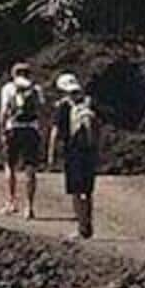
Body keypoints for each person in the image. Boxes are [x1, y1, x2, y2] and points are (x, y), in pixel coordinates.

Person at [48, 72, 101, 239]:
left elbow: (55, 131)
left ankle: (80, 226)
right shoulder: (89, 103)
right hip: (90, 151)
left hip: (73, 151)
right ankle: (88, 222)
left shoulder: (63, 106)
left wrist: (51, 153)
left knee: (76, 192)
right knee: (88, 190)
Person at [0, 62, 45, 218]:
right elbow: (42, 110)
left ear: (13, 74)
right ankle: (29, 207)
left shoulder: (8, 89)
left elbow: (4, 111)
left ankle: (11, 202)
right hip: (31, 130)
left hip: (14, 129)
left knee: (10, 166)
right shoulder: (36, 89)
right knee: (30, 169)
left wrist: (2, 129)